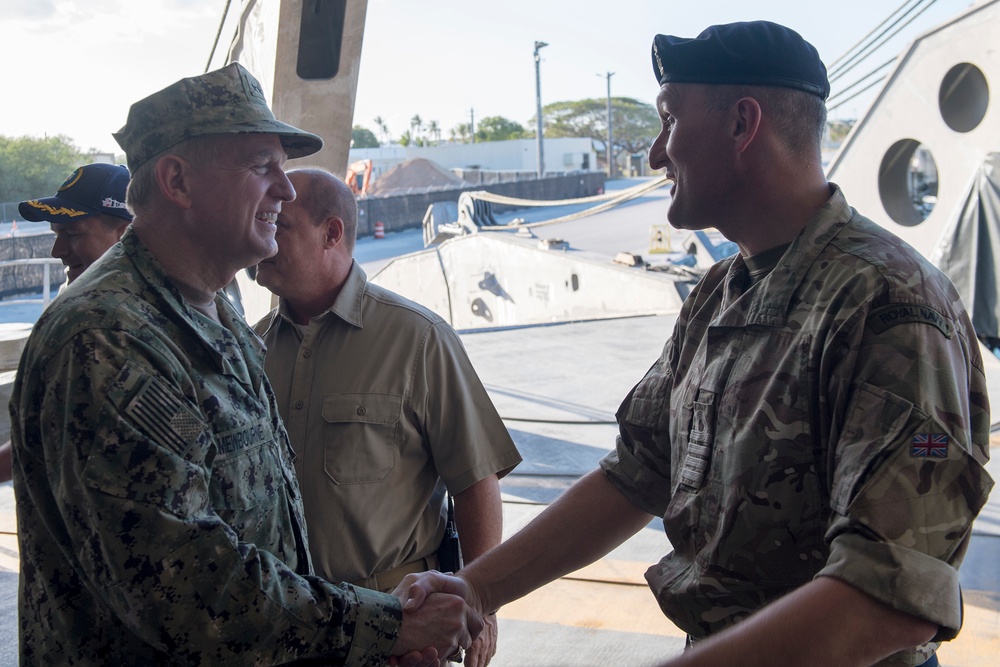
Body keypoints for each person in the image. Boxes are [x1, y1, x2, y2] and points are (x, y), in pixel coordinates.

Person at [398, 21, 994, 667]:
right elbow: (636, 472)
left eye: (669, 120)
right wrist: (475, 587)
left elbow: (887, 599)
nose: (655, 154)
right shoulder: (719, 292)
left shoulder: (888, 305)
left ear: (743, 124)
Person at [9, 62, 479, 665]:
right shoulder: (107, 339)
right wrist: (388, 626)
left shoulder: (214, 307)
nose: (285, 190)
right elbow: (193, 593)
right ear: (177, 181)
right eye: (263, 166)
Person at [252, 168, 522, 667]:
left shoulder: (417, 339)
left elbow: (475, 478)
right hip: (284, 627)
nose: (263, 236)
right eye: (262, 220)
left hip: (396, 631)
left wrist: (482, 602)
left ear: (331, 233)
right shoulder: (250, 348)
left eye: (279, 224)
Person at [0, 163, 134, 484]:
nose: (57, 251)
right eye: (56, 233)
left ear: (126, 233)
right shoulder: (83, 295)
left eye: (72, 234)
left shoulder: (125, 324)